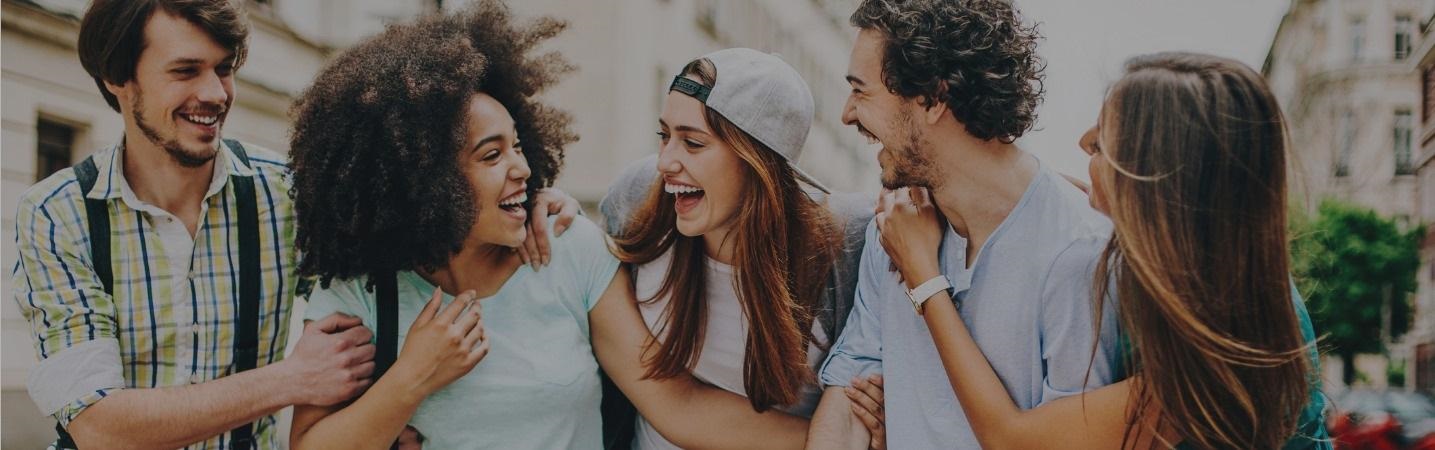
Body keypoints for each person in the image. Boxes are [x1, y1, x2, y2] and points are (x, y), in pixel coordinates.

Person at [286, 3, 809, 449]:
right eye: (492, 155)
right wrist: (411, 378)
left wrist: (843, 437)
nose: (522, 169)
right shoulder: (360, 294)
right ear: (423, 179)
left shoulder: (569, 248)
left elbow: (675, 402)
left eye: (518, 146)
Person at [872, 51, 1331, 449]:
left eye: (1104, 142)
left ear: (1157, 179)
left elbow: (1013, 440)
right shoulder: (1202, 269)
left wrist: (924, 276)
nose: (1082, 142)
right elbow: (1052, 195)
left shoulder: (1225, 342)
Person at [11, 1, 373, 448]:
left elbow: (378, 309)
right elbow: (99, 427)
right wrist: (291, 379)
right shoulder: (58, 212)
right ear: (118, 78)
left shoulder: (287, 194)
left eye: (223, 69)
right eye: (185, 71)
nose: (216, 93)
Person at [807, 0, 1121, 448]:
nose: (847, 113)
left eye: (861, 91)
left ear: (934, 98)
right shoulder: (895, 227)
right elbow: (850, 405)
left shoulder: (1079, 252)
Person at [598, 48, 877, 450]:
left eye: (693, 143)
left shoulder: (844, 244)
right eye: (665, 136)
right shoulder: (639, 196)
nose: (665, 162)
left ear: (758, 161)